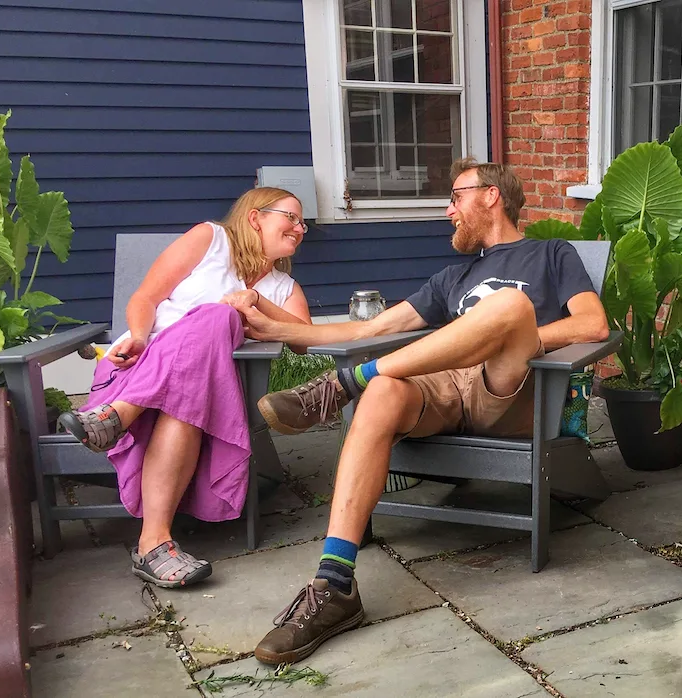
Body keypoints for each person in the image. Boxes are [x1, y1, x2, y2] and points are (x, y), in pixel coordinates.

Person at [223, 159, 609, 665]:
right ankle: (334, 583)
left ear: (490, 195)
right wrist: (271, 320)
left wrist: (518, 336)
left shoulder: (552, 254)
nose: (448, 211)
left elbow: (593, 324)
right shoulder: (452, 276)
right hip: (443, 385)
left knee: (510, 308)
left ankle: (344, 384)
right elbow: (365, 331)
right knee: (383, 393)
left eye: (455, 197)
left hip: (513, 388)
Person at [58, 187, 312, 588]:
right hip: (139, 367)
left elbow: (303, 338)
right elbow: (146, 297)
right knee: (213, 333)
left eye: (303, 223)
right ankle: (153, 544)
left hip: (202, 394)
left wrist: (255, 302)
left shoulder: (283, 288)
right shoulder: (209, 239)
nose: (301, 229)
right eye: (291, 218)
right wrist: (140, 336)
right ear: (255, 218)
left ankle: (117, 420)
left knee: (216, 323)